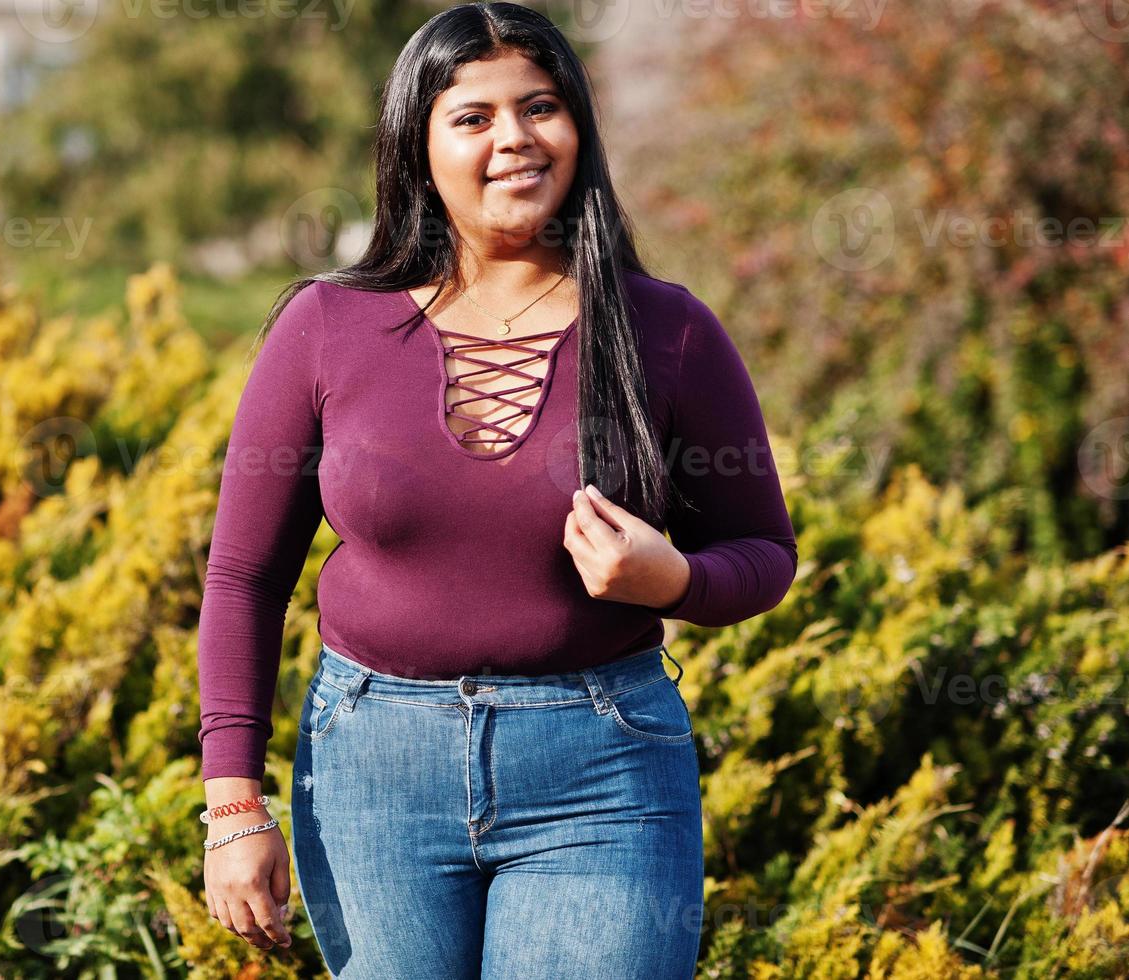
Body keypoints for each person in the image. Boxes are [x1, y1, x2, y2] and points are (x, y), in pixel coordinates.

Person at [195, 3, 798, 976]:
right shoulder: (326, 325)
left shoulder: (668, 330)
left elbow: (766, 552)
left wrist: (673, 580)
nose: (513, 137)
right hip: (371, 765)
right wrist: (232, 804)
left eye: (540, 106)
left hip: (601, 765)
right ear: (417, 145)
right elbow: (243, 577)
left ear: (578, 128)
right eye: (472, 116)